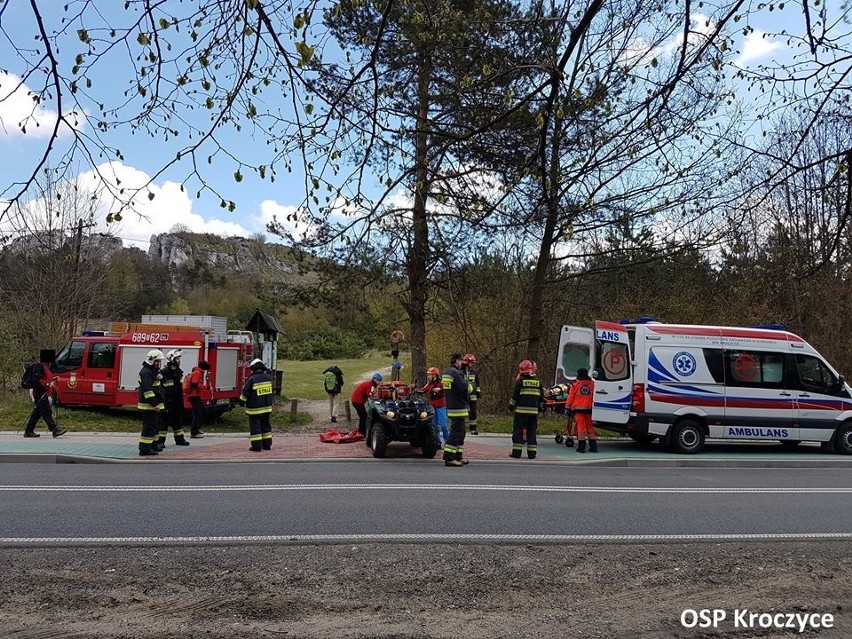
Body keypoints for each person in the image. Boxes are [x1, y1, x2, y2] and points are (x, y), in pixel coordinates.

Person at [23, 351, 66, 438]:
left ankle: (28, 431)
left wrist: (53, 379)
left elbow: (45, 378)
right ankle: (54, 429)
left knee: (38, 413)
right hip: (39, 393)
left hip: (44, 392)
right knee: (46, 411)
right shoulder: (40, 366)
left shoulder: (46, 367)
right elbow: (37, 379)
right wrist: (46, 384)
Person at [509, 359, 544, 459]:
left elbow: (514, 397)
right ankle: (532, 454)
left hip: (520, 413)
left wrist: (510, 407)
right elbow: (541, 398)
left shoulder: (520, 381)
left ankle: (516, 453)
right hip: (533, 413)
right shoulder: (538, 382)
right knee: (532, 432)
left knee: (518, 432)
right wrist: (540, 409)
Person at [240, 358, 275, 451]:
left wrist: (241, 401)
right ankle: (267, 445)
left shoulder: (252, 379)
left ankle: (256, 446)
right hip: (267, 407)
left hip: (255, 409)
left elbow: (245, 393)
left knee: (255, 427)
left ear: (253, 368)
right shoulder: (268, 378)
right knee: (266, 426)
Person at [442, 352, 470, 467]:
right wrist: (472, 384)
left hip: (451, 406)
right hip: (458, 407)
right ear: (458, 360)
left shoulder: (446, 372)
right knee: (456, 433)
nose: (461, 363)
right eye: (461, 360)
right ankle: (449, 458)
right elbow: (464, 388)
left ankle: (458, 456)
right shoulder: (456, 373)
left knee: (460, 432)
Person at [137, 349, 166, 457]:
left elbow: (158, 386)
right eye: (157, 361)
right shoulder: (146, 372)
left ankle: (153, 445)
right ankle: (144, 449)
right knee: (148, 428)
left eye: (159, 361)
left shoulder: (153, 371)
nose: (158, 363)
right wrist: (155, 404)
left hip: (154, 406)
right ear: (151, 360)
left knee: (155, 427)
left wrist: (162, 378)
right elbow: (147, 391)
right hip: (149, 406)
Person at [159, 349, 190, 447]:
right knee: (164, 422)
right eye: (177, 358)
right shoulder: (164, 372)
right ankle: (160, 441)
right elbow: (161, 388)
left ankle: (180, 440)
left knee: (178, 421)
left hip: (177, 401)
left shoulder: (178, 372)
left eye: (179, 358)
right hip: (167, 401)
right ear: (171, 359)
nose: (179, 360)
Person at [566, 367, 597, 453]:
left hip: (578, 409)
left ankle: (581, 447)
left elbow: (571, 398)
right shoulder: (592, 384)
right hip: (589, 409)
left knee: (581, 428)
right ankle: (593, 447)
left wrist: (567, 408)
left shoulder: (575, 385)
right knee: (589, 427)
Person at [420, 366, 448, 447]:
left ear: (434, 375)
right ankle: (437, 443)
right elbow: (423, 389)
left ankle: (447, 442)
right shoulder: (429, 383)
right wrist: (416, 389)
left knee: (443, 425)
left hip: (441, 405)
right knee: (434, 425)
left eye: (430, 375)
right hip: (433, 405)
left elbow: (448, 388)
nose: (428, 376)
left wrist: (440, 390)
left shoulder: (441, 382)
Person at [186, 359, 211, 438]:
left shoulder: (198, 372)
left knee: (203, 411)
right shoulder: (197, 373)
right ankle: (194, 432)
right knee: (197, 414)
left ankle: (197, 428)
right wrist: (205, 387)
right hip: (194, 396)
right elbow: (194, 384)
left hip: (195, 396)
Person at [461, 353, 480, 435]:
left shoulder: (474, 373)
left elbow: (477, 384)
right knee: (462, 412)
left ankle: (473, 429)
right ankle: (462, 428)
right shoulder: (461, 372)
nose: (472, 364)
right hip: (463, 396)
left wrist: (478, 393)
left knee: (473, 413)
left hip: (473, 397)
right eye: (471, 362)